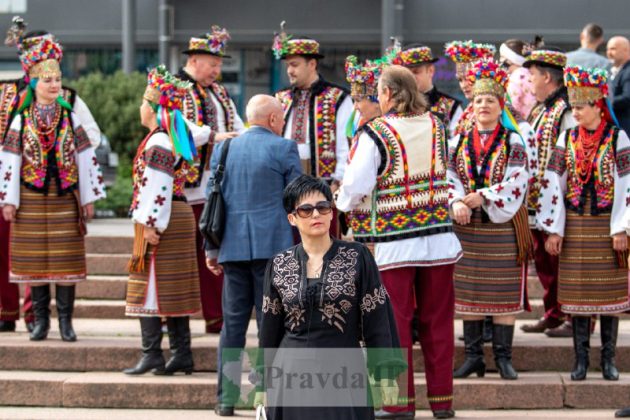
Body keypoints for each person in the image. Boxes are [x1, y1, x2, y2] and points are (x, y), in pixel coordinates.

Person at [337, 65, 463, 420]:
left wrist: (340, 203)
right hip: (439, 239)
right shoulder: (438, 125)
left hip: (393, 243)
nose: (377, 97)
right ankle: (442, 403)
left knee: (392, 324)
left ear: (390, 93)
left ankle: (397, 404)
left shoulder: (375, 132)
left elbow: (357, 183)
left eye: (379, 91)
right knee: (438, 322)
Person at [256, 174, 405, 420]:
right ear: (292, 218)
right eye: (306, 210)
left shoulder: (357, 257)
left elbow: (377, 317)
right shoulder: (279, 264)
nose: (316, 215)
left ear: (331, 212)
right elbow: (269, 328)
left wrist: (385, 374)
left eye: (322, 207)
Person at [0, 30, 105, 342]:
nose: (53, 84)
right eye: (46, 78)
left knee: (65, 260)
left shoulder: (70, 107)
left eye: (56, 77)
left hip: (63, 194)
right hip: (30, 196)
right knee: (33, 261)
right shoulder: (17, 110)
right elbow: (10, 160)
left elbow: (88, 152)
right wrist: (9, 198)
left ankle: (65, 323)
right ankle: (40, 322)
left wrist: (87, 195)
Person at [207, 94, 302, 416]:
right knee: (270, 325)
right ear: (274, 120)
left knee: (232, 326)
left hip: (231, 249)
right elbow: (297, 202)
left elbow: (212, 200)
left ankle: (226, 399)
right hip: (273, 249)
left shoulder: (224, 148)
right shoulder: (283, 148)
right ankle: (268, 394)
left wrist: (211, 247)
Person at [537, 65, 630, 381]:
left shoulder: (619, 139)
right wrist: (554, 228)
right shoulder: (565, 139)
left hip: (606, 227)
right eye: (572, 107)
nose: (574, 112)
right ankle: (580, 361)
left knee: (609, 297)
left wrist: (622, 227)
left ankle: (607, 360)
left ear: (597, 106)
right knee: (576, 297)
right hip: (575, 225)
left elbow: (627, 184)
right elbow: (553, 181)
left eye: (579, 107)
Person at [448, 60, 530, 381]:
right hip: (467, 225)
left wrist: (483, 195)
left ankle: (503, 358)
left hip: (501, 224)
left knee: (502, 292)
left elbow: (518, 180)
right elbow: (448, 174)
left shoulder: (513, 141)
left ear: (501, 106)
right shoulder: (458, 141)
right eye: (478, 100)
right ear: (472, 105)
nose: (483, 105)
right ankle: (473, 358)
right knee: (468, 292)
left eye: (490, 101)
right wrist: (456, 199)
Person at [124, 65, 202, 376]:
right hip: (178, 214)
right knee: (173, 286)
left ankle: (153, 353)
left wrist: (150, 224)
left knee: (153, 285)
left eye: (145, 102)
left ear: (155, 108)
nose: (141, 108)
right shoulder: (173, 137)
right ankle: (181, 353)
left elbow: (156, 187)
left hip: (162, 217)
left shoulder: (158, 141)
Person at [176, 25, 244, 334]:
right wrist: (214, 136)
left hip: (217, 185)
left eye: (219, 64)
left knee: (213, 251)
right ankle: (176, 317)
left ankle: (216, 317)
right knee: (183, 253)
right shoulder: (176, 87)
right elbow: (178, 128)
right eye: (213, 63)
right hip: (185, 185)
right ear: (194, 60)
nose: (218, 70)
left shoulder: (219, 92)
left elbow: (237, 123)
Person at [272, 23, 353, 237]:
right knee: (290, 244)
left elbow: (346, 143)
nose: (289, 70)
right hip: (286, 182)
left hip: (324, 182)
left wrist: (338, 182)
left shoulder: (338, 97)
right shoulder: (281, 98)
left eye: (295, 64)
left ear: (312, 64)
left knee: (325, 244)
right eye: (288, 65)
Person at [520, 48, 578, 337]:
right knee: (544, 262)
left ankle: (573, 315)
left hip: (558, 199)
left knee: (561, 260)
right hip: (536, 200)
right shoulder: (540, 110)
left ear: (546, 76)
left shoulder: (566, 110)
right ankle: (554, 311)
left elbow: (575, 153)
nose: (528, 81)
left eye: (532, 75)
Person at [393, 44, 462, 138]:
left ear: (431, 71)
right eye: (407, 73)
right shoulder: (395, 105)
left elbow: (458, 143)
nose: (411, 77)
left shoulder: (450, 105)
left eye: (416, 72)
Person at [444, 41, 496, 138]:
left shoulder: (496, 110)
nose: (463, 85)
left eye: (468, 78)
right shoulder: (468, 111)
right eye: (460, 80)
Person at [499, 39, 537, 121]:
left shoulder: (516, 77)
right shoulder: (529, 73)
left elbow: (512, 105)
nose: (500, 61)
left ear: (511, 59)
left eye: (502, 57)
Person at [607, 36, 630, 137]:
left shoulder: (628, 71)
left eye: (613, 48)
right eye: (607, 49)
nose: (609, 53)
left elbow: (627, 97)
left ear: (626, 50)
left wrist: (605, 102)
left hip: (625, 128)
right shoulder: (609, 70)